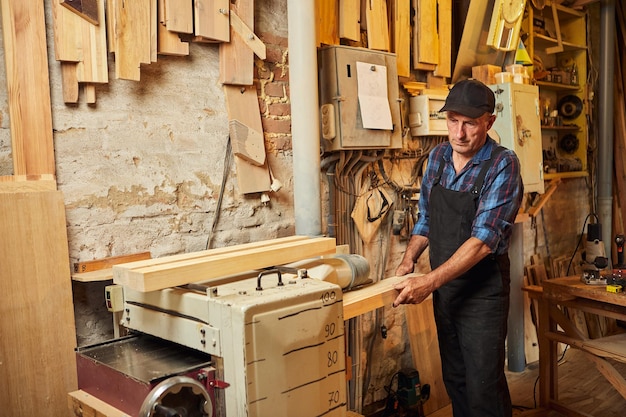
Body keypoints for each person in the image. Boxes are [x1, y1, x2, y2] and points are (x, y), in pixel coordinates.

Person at [392, 79, 523, 417]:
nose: (459, 133)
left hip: (483, 294)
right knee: (456, 379)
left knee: (483, 385)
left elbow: (483, 242)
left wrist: (429, 281)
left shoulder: (503, 165)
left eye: (469, 123)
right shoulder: (437, 157)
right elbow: (426, 219)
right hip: (446, 292)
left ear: (489, 122)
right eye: (452, 120)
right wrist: (409, 260)